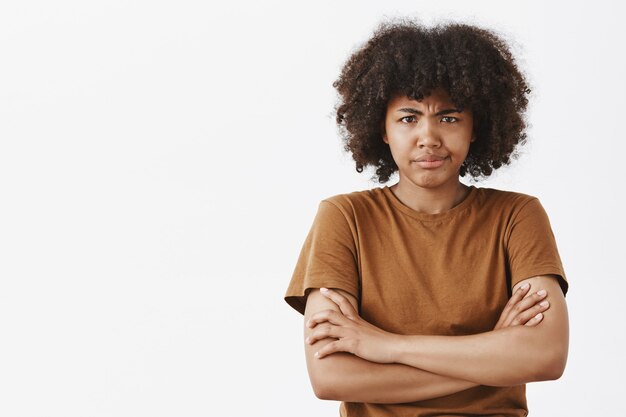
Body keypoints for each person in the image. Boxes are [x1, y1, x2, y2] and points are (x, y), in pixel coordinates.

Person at [284, 18, 569, 417]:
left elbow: (545, 355)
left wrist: (385, 346)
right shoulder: (344, 217)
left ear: (476, 127)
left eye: (449, 118)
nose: (429, 137)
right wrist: (495, 353)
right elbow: (332, 376)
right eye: (408, 117)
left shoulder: (517, 216)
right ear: (381, 129)